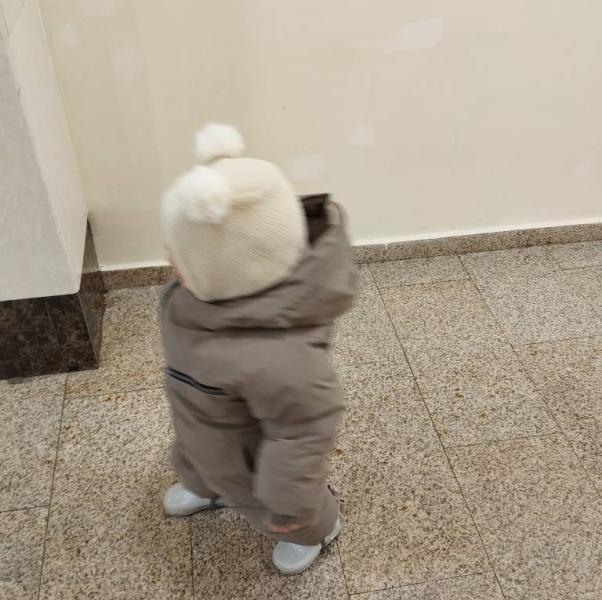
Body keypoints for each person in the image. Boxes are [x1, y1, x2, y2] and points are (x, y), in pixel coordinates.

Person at [160, 123, 358, 575]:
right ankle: (205, 484)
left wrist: (288, 501)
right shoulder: (192, 298)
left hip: (254, 461)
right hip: (201, 420)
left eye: (179, 255)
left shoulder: (281, 358)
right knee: (199, 450)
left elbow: (302, 433)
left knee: (285, 501)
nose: (169, 258)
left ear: (227, 271)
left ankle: (317, 529)